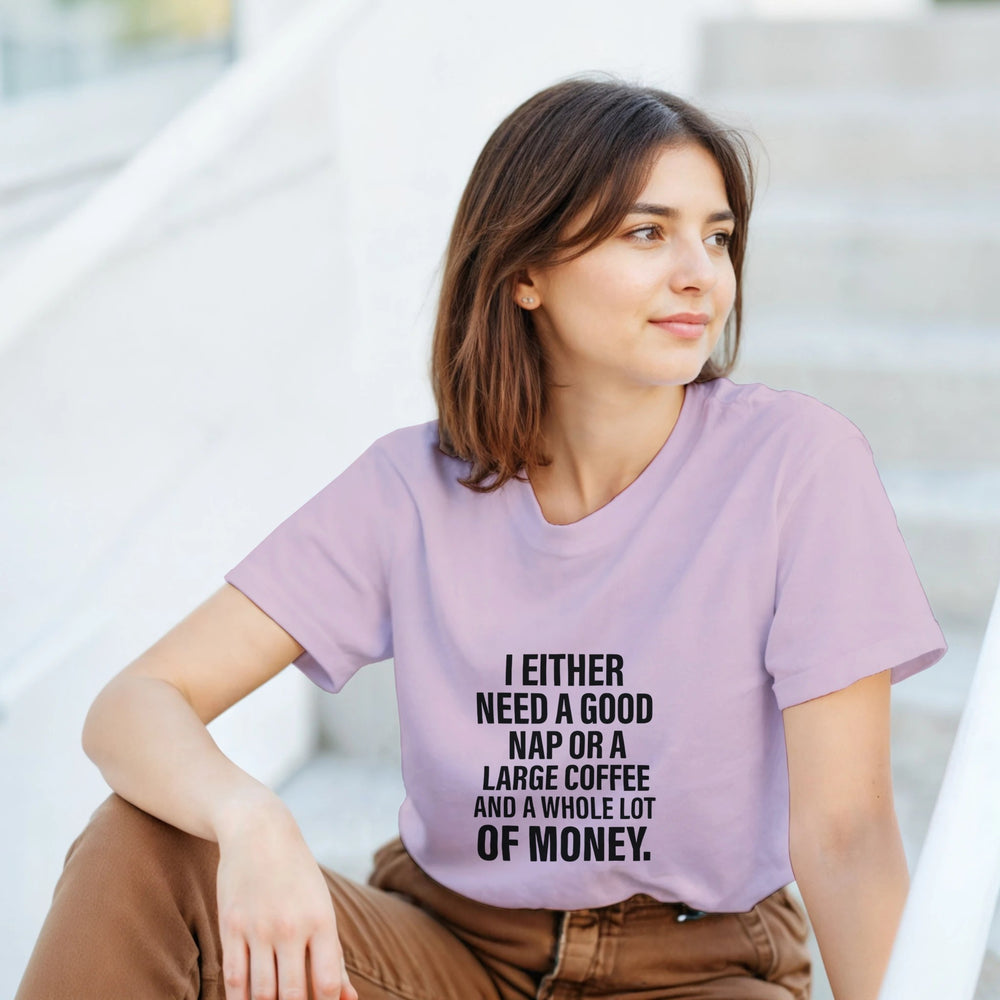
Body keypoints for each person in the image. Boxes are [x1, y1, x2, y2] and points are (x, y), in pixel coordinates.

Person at [16, 77, 947, 1000]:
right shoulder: (411, 489)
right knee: (141, 845)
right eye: (646, 232)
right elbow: (136, 701)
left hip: (696, 967)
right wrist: (249, 815)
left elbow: (847, 833)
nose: (700, 272)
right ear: (524, 272)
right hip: (445, 948)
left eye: (718, 236)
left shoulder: (796, 465)